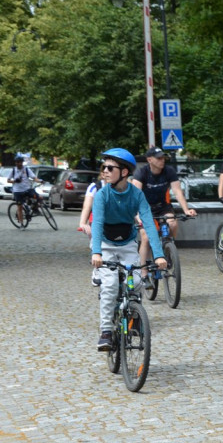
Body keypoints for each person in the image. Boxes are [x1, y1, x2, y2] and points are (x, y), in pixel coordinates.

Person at [90, 149, 167, 350]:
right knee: (110, 285)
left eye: (109, 168)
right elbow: (97, 223)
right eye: (103, 167)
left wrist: (158, 255)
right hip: (105, 245)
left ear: (124, 172)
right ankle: (106, 331)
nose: (104, 171)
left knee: (137, 282)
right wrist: (96, 252)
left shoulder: (136, 194)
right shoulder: (102, 195)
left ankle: (133, 317)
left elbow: (149, 224)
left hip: (127, 243)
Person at [132, 147, 197, 264]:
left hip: (162, 206)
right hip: (144, 208)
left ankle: (169, 248)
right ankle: (144, 272)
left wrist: (186, 210)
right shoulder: (141, 173)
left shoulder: (169, 171)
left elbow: (177, 191)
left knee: (172, 223)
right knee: (146, 237)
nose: (162, 160)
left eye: (163, 158)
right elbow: (135, 196)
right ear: (149, 160)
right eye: (159, 158)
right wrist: (138, 216)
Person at [9, 154, 39, 228]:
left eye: (19, 162)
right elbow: (8, 180)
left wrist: (40, 181)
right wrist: (15, 181)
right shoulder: (13, 170)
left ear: (22, 162)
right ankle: (22, 224)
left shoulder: (26, 169)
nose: (18, 164)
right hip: (17, 191)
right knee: (20, 207)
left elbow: (34, 177)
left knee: (38, 197)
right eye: (17, 162)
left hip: (27, 189)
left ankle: (35, 209)